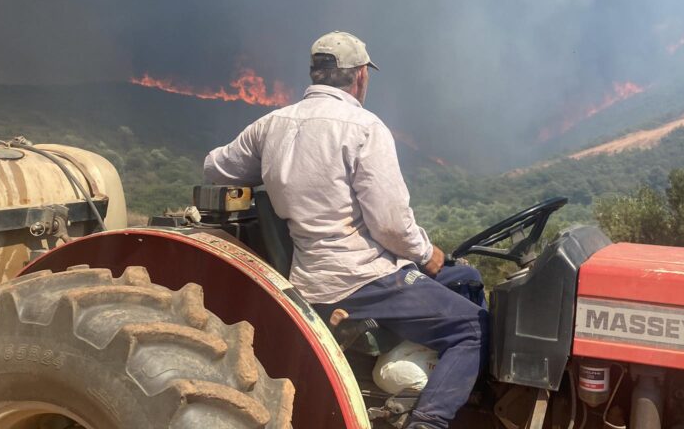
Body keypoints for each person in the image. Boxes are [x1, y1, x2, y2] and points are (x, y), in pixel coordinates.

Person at [204, 31, 487, 429]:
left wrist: (273, 168)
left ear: (315, 74)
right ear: (359, 76)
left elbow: (216, 167)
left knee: (468, 279)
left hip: (309, 278)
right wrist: (428, 255)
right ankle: (430, 421)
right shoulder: (365, 127)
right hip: (365, 281)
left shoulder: (271, 125)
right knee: (472, 325)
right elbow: (391, 224)